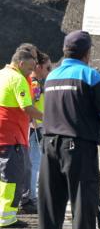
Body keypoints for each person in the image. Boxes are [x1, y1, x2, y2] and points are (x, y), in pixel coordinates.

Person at [39, 31, 100, 229]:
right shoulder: (90, 75)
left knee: (50, 209)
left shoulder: (51, 77)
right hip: (78, 147)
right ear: (87, 52)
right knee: (83, 207)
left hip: (49, 145)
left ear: (64, 50)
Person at [0, 48, 42, 228]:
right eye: (29, 68)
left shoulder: (2, 74)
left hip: (4, 134)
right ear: (21, 63)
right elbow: (27, 108)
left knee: (3, 176)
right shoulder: (17, 79)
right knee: (12, 177)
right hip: (12, 136)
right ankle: (7, 218)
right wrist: (50, 118)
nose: (31, 73)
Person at [23, 50, 50, 211]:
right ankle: (31, 198)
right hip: (34, 129)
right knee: (34, 164)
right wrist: (34, 125)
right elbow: (30, 106)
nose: (49, 72)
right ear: (38, 67)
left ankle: (31, 196)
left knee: (34, 164)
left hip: (36, 127)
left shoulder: (33, 83)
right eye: (47, 68)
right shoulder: (35, 84)